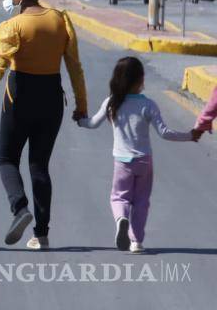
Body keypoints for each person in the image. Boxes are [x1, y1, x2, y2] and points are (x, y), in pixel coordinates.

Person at [0, 0, 87, 250]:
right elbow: (74, 67)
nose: (6, 2)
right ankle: (41, 235)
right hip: (52, 98)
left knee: (7, 159)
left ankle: (20, 209)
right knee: (39, 166)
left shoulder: (12, 27)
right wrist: (82, 105)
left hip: (19, 98)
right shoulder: (61, 19)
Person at [77, 57, 200, 253]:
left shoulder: (111, 102)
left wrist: (80, 120)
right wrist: (189, 136)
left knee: (119, 198)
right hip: (144, 162)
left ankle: (121, 219)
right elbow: (165, 133)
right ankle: (137, 242)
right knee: (142, 201)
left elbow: (92, 123)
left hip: (122, 162)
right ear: (140, 80)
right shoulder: (148, 104)